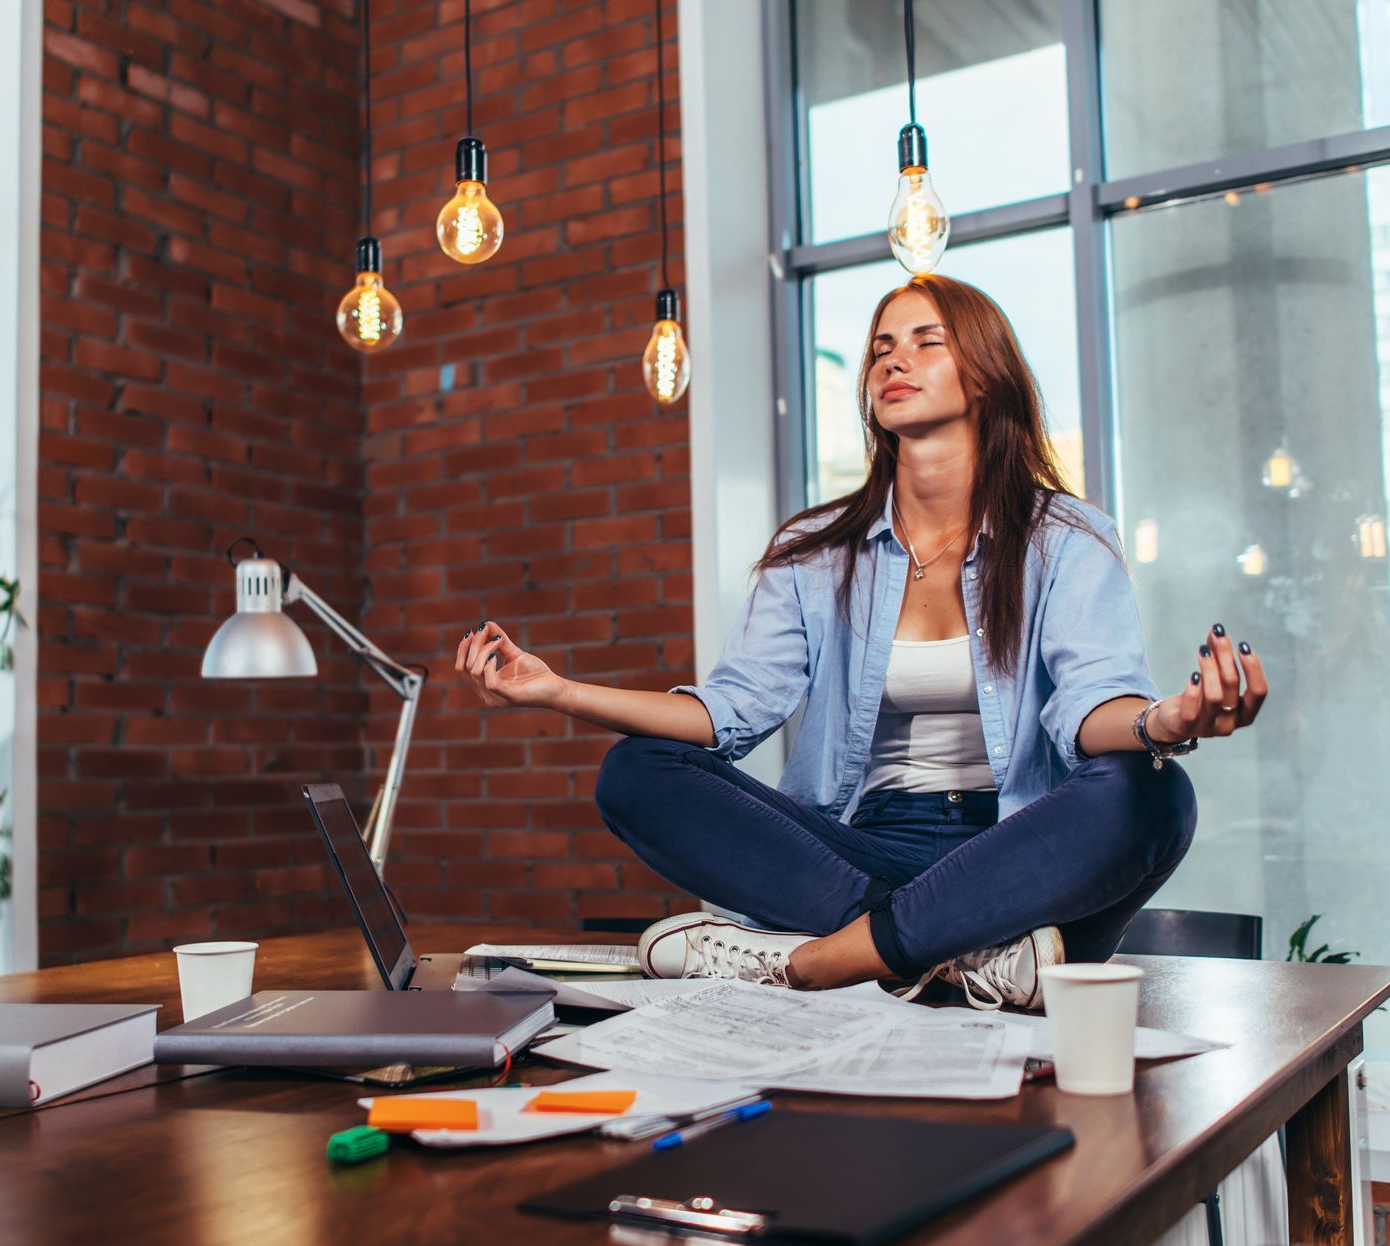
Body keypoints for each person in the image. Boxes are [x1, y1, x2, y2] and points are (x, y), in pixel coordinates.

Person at [451, 274, 1268, 1009]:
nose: (891, 362)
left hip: (1018, 845)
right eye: (880, 348)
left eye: (923, 342)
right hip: (856, 846)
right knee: (635, 769)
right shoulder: (815, 551)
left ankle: (815, 960)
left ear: (983, 372)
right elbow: (729, 711)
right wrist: (556, 689)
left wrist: (1168, 721)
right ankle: (967, 952)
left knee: (1155, 793)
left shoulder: (1066, 537)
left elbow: (1092, 705)